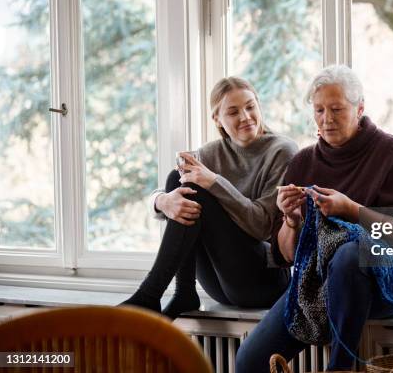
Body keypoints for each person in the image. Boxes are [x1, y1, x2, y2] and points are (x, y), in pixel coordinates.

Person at [235, 65, 393, 372]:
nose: (327, 118)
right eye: (319, 109)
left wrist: (351, 209)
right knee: (248, 362)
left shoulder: (388, 151)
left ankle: (339, 368)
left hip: (386, 284)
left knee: (350, 254)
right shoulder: (303, 162)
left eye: (337, 109)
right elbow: (285, 255)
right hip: (316, 283)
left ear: (360, 108)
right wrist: (291, 220)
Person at [121, 77, 298, 318]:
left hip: (263, 279)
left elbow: (261, 225)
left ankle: (150, 294)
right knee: (178, 177)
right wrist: (160, 201)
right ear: (217, 119)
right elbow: (172, 193)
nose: (245, 117)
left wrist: (214, 182)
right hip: (219, 283)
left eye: (250, 106)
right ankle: (184, 292)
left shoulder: (282, 151)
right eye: (233, 112)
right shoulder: (211, 153)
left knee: (195, 182)